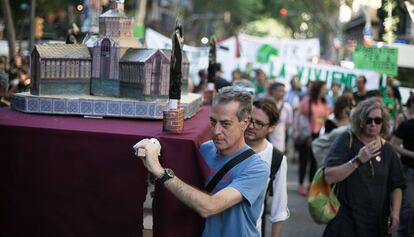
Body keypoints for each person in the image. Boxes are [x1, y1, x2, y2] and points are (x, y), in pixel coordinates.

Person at [136, 86, 269, 237]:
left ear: (245, 122)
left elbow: (210, 206)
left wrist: (160, 172)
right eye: (213, 122)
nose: (216, 131)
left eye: (225, 124)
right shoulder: (205, 149)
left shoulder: (257, 168)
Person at [323, 98, 406, 237]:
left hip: (376, 225)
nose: (373, 124)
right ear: (360, 121)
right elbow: (329, 176)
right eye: (368, 120)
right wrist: (358, 160)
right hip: (345, 222)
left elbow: (396, 185)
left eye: (377, 120)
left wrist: (395, 213)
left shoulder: (388, 150)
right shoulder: (346, 140)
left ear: (383, 122)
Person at [244, 97, 289, 237]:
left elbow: (279, 208)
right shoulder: (227, 144)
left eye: (259, 123)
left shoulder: (277, 159)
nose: (251, 126)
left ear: (271, 128)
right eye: (250, 120)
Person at [294, 80, 329, 196]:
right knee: (304, 160)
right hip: (307, 134)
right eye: (323, 89)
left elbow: (325, 118)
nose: (325, 91)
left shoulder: (324, 102)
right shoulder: (307, 101)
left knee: (315, 161)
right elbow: (298, 116)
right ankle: (300, 184)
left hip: (319, 135)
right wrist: (297, 130)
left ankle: (310, 184)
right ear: (318, 89)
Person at [391, 94, 414, 237]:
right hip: (408, 168)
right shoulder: (405, 123)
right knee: (408, 207)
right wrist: (411, 154)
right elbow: (394, 144)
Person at [267, 82, 293, 153]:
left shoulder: (287, 107)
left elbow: (288, 123)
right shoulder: (266, 105)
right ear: (273, 91)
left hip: (279, 140)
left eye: (284, 91)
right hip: (265, 138)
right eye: (280, 91)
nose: (282, 93)